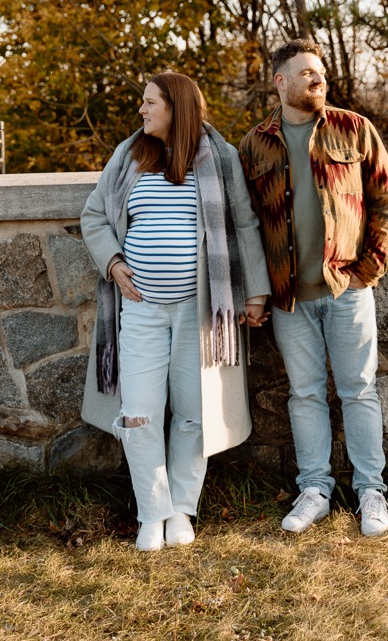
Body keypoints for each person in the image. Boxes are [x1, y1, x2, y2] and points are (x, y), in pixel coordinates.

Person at [80, 71, 270, 552]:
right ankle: (152, 513)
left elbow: (246, 224)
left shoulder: (220, 158)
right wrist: (113, 262)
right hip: (139, 309)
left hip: (200, 312)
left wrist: (255, 294)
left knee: (192, 415)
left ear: (177, 107)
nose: (142, 111)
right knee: (139, 413)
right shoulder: (128, 156)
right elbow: (94, 214)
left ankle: (183, 509)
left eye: (150, 103)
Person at [239, 39, 388, 538]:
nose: (317, 79)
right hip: (289, 297)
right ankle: (315, 488)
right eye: (305, 72)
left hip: (345, 289)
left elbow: (387, 199)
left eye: (320, 72)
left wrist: (366, 270)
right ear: (280, 82)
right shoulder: (254, 144)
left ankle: (370, 491)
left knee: (358, 390)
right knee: (304, 394)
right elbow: (244, 223)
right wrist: (257, 290)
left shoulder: (353, 129)